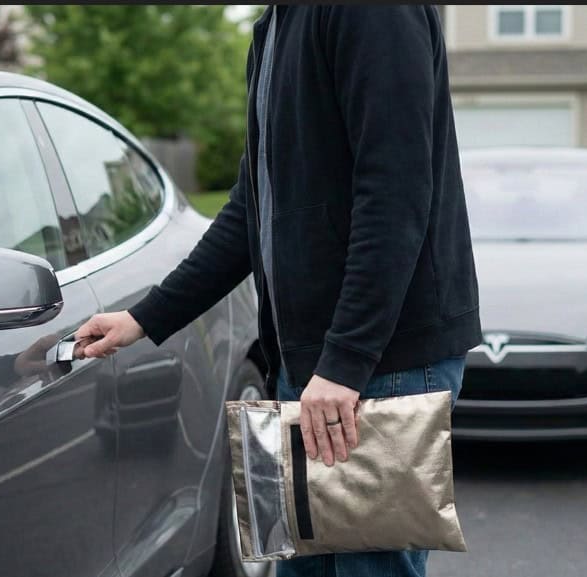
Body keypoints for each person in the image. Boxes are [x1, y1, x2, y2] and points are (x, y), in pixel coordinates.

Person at [74, 5, 480, 576]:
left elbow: (395, 195)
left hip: (378, 367)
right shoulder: (275, 27)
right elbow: (251, 205)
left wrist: (345, 363)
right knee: (302, 565)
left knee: (368, 570)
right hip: (311, 366)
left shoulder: (373, 13)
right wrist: (146, 317)